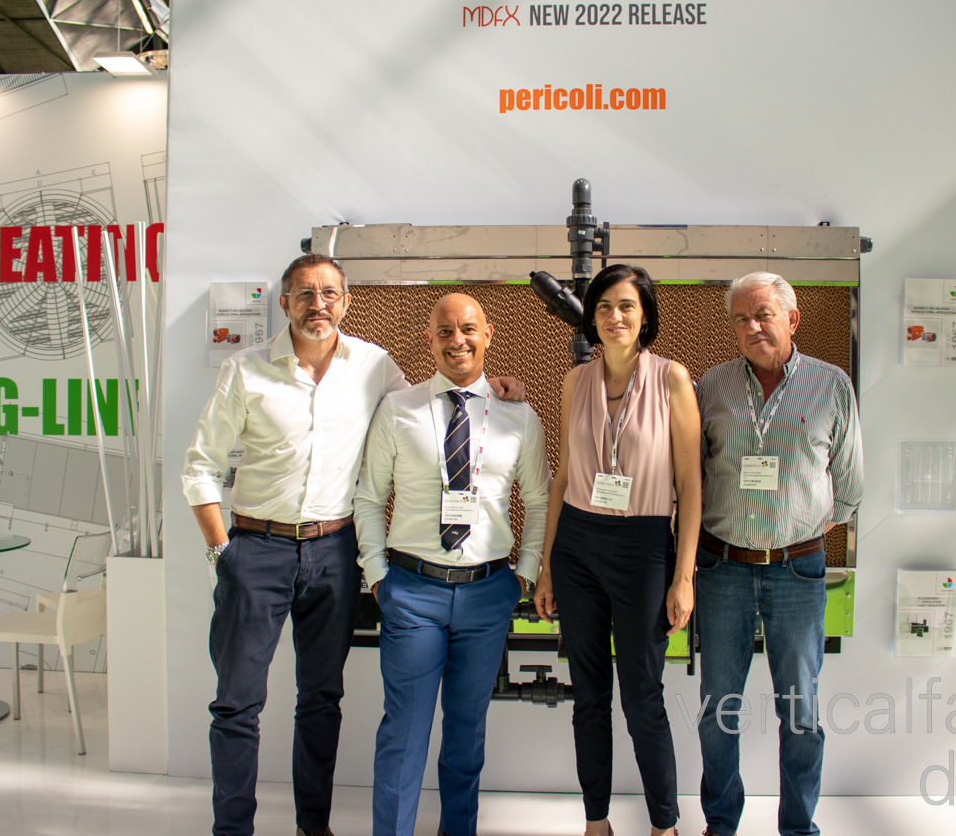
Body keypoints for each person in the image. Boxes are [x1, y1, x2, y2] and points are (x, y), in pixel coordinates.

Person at [182, 256, 521, 836]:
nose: (318, 304)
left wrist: (496, 389)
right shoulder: (245, 369)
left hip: (333, 552)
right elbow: (200, 467)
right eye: (305, 294)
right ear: (284, 303)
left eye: (329, 294)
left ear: (345, 301)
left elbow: (435, 403)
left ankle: (313, 827)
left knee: (320, 698)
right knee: (237, 703)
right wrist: (223, 555)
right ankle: (232, 830)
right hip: (255, 549)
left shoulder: (373, 366)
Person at [353, 293, 550, 836]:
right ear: (429, 339)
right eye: (444, 331)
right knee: (404, 733)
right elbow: (369, 497)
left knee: (466, 734)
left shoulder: (518, 415)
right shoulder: (399, 409)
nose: (457, 340)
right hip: (412, 590)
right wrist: (378, 576)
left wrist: (525, 573)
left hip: (488, 593)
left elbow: (539, 501)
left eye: (467, 329)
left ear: (488, 334)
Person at [533, 264, 701, 836]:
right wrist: (547, 566)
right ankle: (595, 821)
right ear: (592, 318)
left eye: (626, 305)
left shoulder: (672, 379)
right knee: (588, 696)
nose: (614, 316)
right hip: (577, 547)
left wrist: (683, 577)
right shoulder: (574, 381)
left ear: (645, 315)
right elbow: (563, 477)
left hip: (644, 548)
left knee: (643, 696)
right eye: (603, 306)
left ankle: (664, 825)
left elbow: (691, 484)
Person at [694, 272, 863, 836]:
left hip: (798, 571)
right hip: (722, 569)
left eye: (763, 314)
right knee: (718, 710)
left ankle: (798, 826)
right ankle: (721, 823)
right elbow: (692, 474)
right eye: (741, 319)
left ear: (792, 319)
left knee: (801, 712)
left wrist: (797, 527)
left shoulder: (831, 384)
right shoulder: (711, 386)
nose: (752, 327)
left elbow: (849, 487)